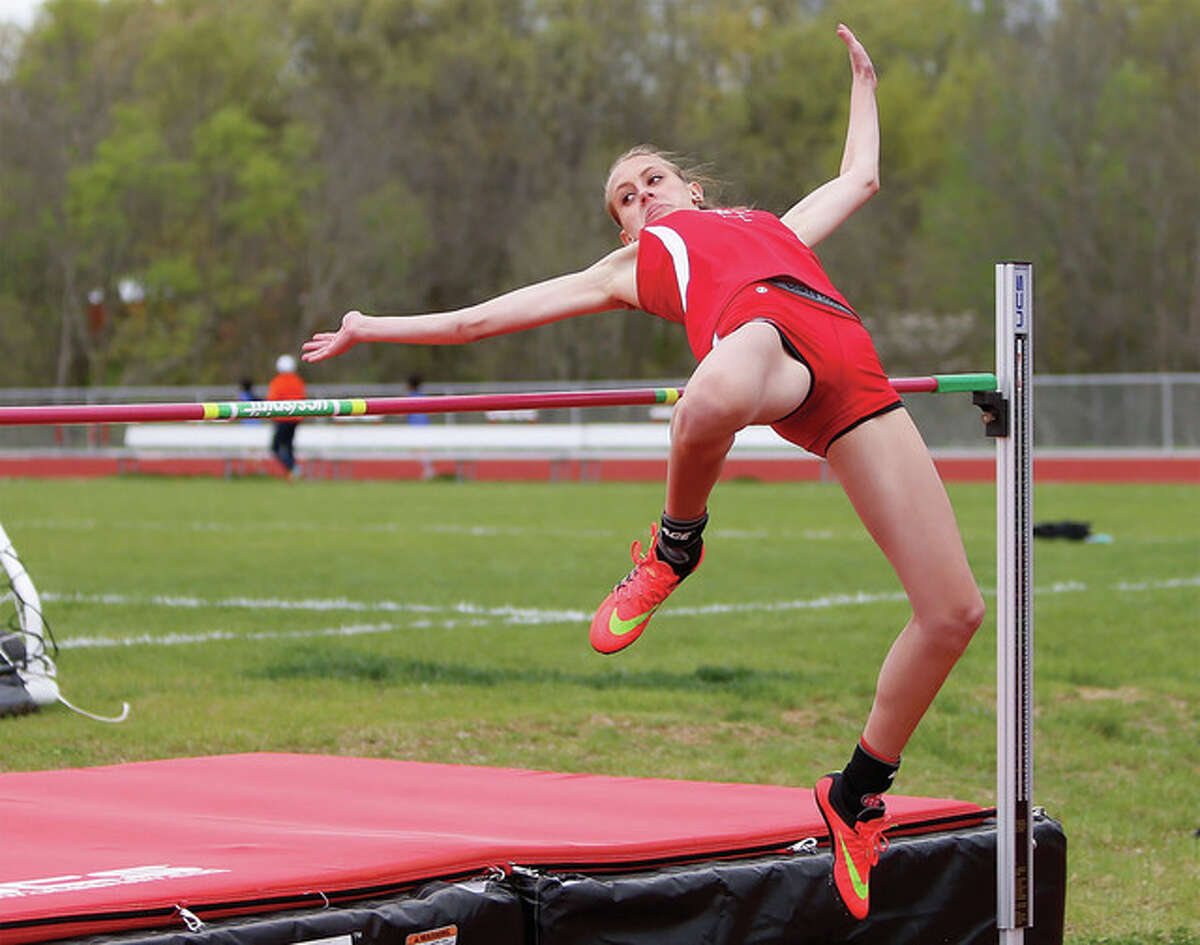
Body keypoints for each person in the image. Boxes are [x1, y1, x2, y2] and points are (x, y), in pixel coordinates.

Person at [302, 25, 984, 921]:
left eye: (653, 180)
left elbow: (860, 177)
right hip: (758, 344)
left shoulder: (769, 226)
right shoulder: (630, 266)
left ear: (693, 188)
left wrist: (866, 85)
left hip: (850, 366)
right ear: (625, 228)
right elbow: (479, 320)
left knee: (953, 611)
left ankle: (856, 793)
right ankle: (675, 546)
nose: (643, 196)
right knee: (705, 401)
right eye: (626, 198)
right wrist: (371, 326)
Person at [267, 354, 306, 477]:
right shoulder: (298, 381)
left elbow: (272, 399)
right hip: (295, 418)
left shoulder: (277, 382)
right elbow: (302, 398)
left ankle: (293, 467)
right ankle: (292, 472)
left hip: (282, 418)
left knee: (275, 447)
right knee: (289, 446)